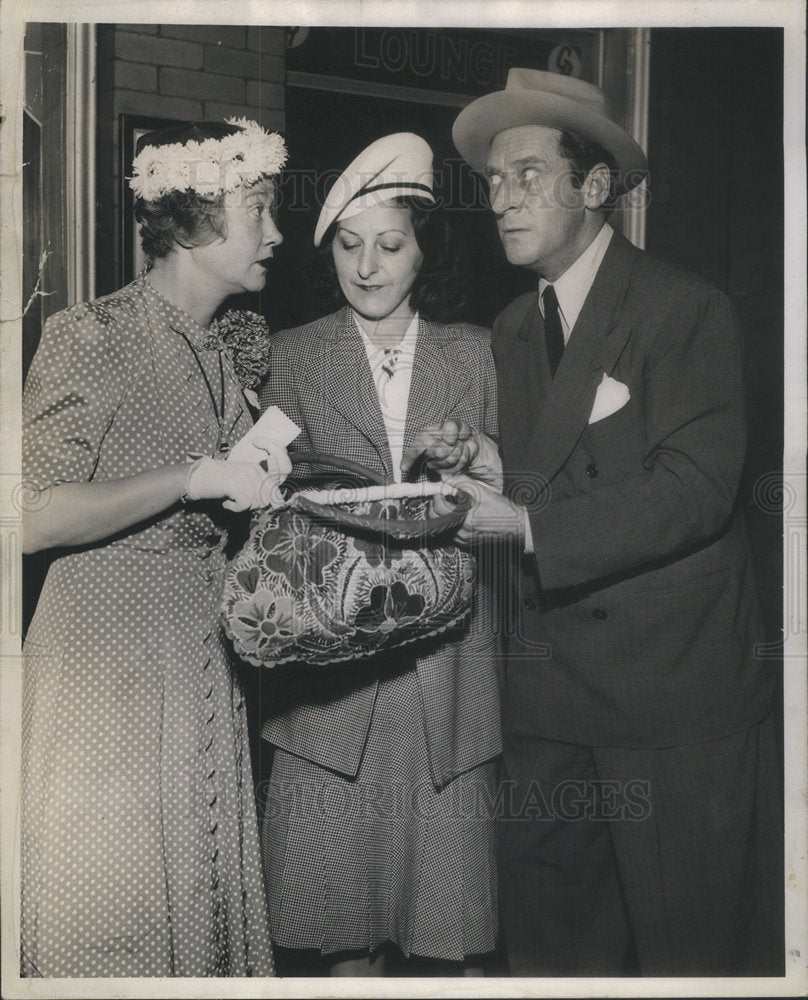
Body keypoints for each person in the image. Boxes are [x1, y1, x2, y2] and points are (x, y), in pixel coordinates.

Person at [403, 69, 782, 976]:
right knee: (558, 950)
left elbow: (695, 487)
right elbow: (558, 472)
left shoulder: (685, 307)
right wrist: (489, 462)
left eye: (528, 173)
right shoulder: (510, 326)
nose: (502, 199)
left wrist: (526, 530)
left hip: (671, 700)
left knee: (690, 954)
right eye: (493, 182)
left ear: (596, 186)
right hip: (548, 698)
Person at [20, 119, 291, 977]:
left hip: (202, 662)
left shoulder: (235, 343)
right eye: (260, 210)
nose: (277, 235)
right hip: (105, 669)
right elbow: (30, 517)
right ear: (197, 216)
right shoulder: (90, 334)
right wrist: (192, 475)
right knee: (115, 916)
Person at [257, 133, 501, 976]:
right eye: (348, 247)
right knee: (335, 939)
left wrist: (479, 459)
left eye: (390, 245)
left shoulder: (475, 352)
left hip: (447, 678)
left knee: (447, 939)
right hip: (333, 686)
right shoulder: (289, 354)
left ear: (425, 245)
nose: (367, 268)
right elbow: (258, 507)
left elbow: (521, 493)